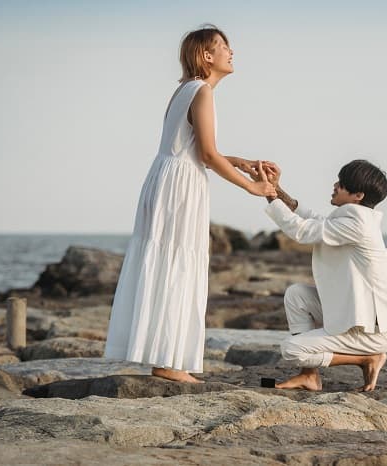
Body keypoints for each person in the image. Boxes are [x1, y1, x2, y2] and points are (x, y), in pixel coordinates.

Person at [104, 25, 276, 383]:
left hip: (166, 178)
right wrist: (251, 187)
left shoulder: (185, 89)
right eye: (224, 46)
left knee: (168, 262)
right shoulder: (202, 92)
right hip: (179, 187)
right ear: (206, 55)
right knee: (179, 265)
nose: (232, 51)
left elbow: (192, 149)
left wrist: (239, 160)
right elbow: (208, 155)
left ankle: (164, 357)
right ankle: (169, 362)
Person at [257, 159, 387, 391]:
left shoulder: (358, 223)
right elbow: (312, 218)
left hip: (371, 332)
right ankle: (309, 376)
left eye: (342, 184)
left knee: (292, 349)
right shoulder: (354, 218)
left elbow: (302, 230)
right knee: (297, 295)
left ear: (358, 196)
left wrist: (267, 193)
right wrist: (276, 189)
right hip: (356, 320)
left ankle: (368, 358)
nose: (335, 185)